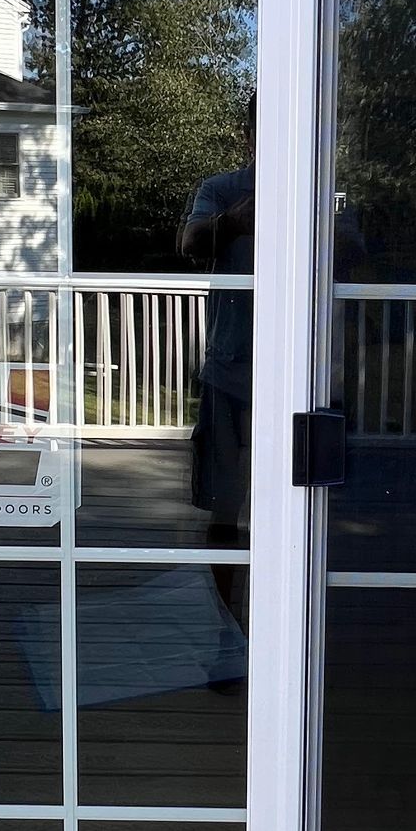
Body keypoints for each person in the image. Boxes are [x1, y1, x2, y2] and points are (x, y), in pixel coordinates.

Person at [177, 98, 255, 544]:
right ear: (246, 135)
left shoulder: (321, 188)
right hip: (230, 367)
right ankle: (224, 609)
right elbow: (190, 242)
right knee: (224, 504)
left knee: (300, 497)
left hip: (305, 376)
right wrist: (232, 222)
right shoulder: (222, 190)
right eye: (261, 129)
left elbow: (357, 250)